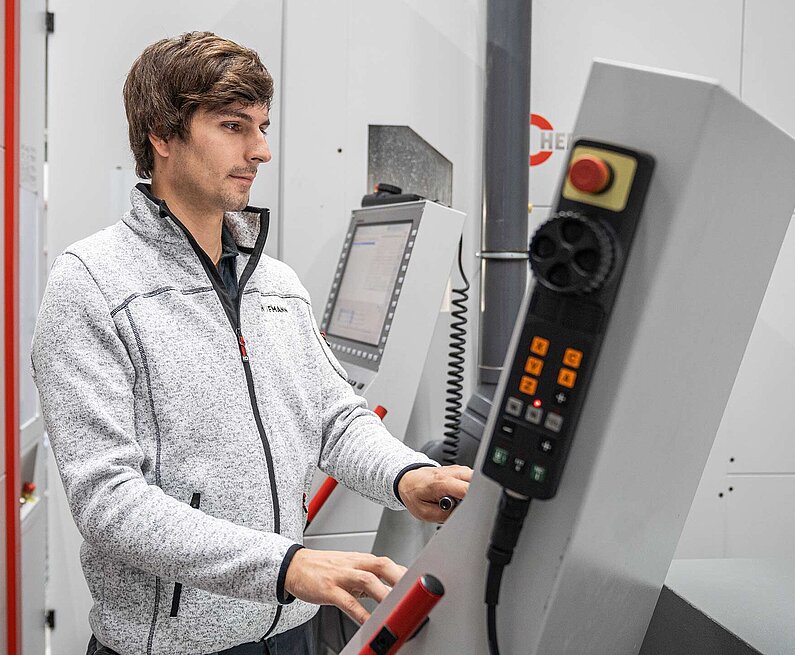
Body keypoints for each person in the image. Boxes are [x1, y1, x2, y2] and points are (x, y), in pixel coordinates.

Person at [31, 31, 472, 655]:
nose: (260, 150)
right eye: (234, 126)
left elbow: (333, 419)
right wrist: (287, 566)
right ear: (161, 134)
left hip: (288, 629)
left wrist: (405, 476)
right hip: (172, 646)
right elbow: (109, 503)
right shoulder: (93, 284)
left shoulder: (275, 283)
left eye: (263, 127)